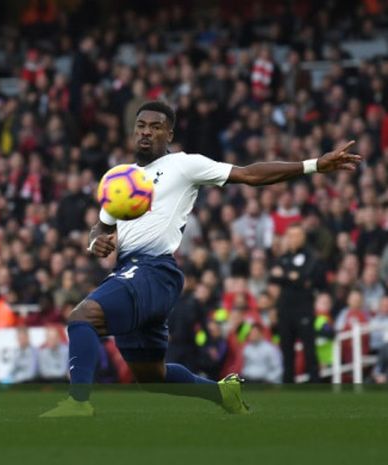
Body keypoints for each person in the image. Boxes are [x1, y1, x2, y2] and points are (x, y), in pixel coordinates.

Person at [41, 100, 361, 417]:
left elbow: (249, 174)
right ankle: (222, 393)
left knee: (81, 317)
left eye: (155, 127)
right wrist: (95, 241)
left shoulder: (184, 165)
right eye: (141, 126)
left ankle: (78, 402)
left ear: (170, 133)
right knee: (152, 377)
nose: (146, 133)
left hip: (153, 270)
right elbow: (102, 224)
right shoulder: (120, 179)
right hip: (132, 273)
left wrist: (314, 165)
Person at [270, 224, 324, 383]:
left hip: (304, 309)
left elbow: (305, 277)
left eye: (297, 235)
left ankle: (316, 386)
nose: (293, 239)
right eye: (290, 235)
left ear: (303, 237)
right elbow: (273, 277)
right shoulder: (283, 257)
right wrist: (292, 277)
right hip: (285, 311)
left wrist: (286, 276)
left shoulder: (311, 256)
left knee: (309, 351)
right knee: (287, 351)